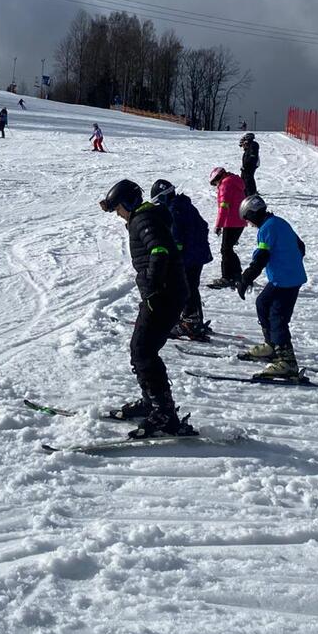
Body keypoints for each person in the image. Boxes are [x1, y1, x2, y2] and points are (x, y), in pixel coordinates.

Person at [99, 180, 196, 438]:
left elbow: (159, 250)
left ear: (128, 203)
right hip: (166, 293)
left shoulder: (144, 220)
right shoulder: (144, 217)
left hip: (164, 295)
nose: (118, 214)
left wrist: (154, 286)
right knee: (142, 349)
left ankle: (164, 413)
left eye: (118, 208)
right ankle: (153, 403)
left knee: (142, 350)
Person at [235, 194, 307, 379]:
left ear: (252, 214)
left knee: (277, 317)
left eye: (247, 219)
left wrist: (245, 278)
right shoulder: (279, 222)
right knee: (263, 303)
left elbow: (261, 257)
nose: (249, 224)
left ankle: (287, 362)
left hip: (286, 280)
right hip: (285, 277)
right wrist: (289, 261)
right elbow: (301, 246)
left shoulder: (267, 228)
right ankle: (271, 345)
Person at [150, 179, 213, 340]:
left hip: (188, 258)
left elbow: (176, 239)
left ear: (163, 198)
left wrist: (171, 257)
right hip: (197, 256)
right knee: (191, 287)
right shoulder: (186, 205)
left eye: (158, 202)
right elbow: (203, 226)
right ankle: (195, 320)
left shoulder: (174, 211)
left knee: (184, 289)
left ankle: (190, 322)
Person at [208, 166, 247, 288]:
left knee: (225, 250)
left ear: (218, 178)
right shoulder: (234, 180)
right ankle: (236, 274)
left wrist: (219, 225)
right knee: (228, 249)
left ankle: (227, 277)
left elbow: (224, 206)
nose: (216, 186)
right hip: (240, 220)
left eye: (215, 183)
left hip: (231, 221)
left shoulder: (225, 184)